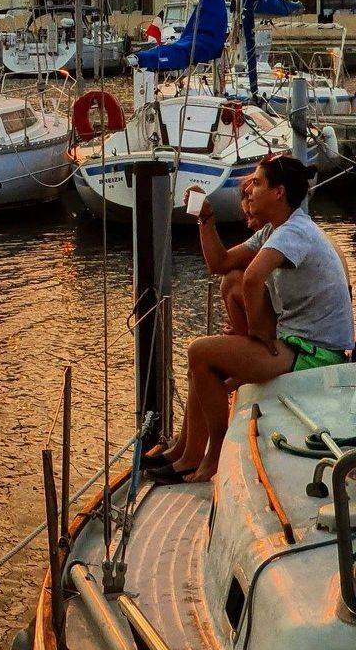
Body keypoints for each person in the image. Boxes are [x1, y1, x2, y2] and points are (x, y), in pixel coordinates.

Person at [148, 154, 353, 484]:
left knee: (201, 352)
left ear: (278, 192)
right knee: (205, 352)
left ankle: (212, 456)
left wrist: (258, 334)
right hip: (294, 340)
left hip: (315, 353)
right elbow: (221, 264)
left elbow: (253, 279)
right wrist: (206, 220)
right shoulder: (274, 230)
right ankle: (185, 452)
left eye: (257, 183)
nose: (249, 190)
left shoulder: (295, 231)